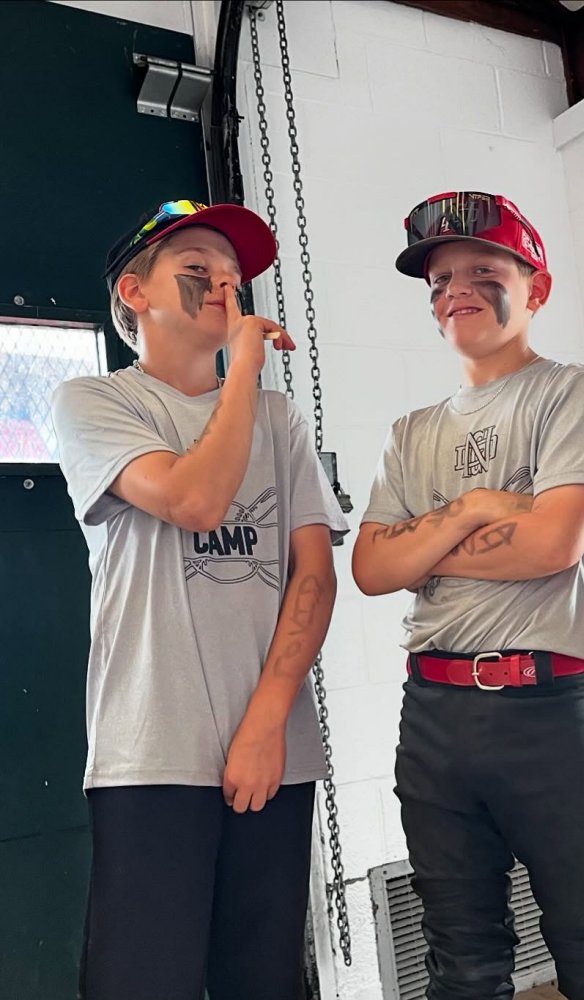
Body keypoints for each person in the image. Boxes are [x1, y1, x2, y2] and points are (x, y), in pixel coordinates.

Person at [352, 191, 584, 1000]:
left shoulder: (570, 392)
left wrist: (427, 548)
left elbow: (553, 544)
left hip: (551, 709)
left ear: (536, 288)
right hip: (434, 715)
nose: (456, 289)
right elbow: (372, 568)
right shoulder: (409, 433)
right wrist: (480, 508)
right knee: (460, 959)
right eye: (441, 280)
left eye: (483, 271)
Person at [52, 199, 349, 1000]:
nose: (225, 286)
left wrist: (268, 720)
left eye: (233, 275)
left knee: (264, 980)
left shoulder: (280, 421)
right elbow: (195, 501)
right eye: (198, 269)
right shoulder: (95, 403)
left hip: (274, 753)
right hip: (152, 751)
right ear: (135, 291)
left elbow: (313, 577)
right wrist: (242, 373)